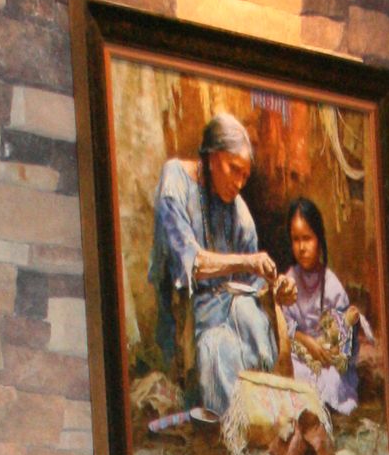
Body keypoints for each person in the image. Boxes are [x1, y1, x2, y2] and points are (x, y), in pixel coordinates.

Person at [147, 112, 280, 422]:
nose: (238, 183)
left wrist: (276, 289)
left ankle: (258, 418)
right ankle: (234, 423)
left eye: (245, 176)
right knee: (218, 348)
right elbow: (190, 263)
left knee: (251, 319)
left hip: (230, 310)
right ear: (210, 156)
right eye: (234, 170)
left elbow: (254, 284)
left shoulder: (239, 211)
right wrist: (249, 261)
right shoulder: (175, 182)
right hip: (190, 313)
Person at [275, 195, 369, 417]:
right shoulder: (289, 280)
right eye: (295, 239)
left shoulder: (331, 284)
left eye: (307, 238)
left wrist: (331, 347)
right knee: (293, 377)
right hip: (300, 357)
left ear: (319, 239)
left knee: (332, 380)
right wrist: (306, 342)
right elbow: (284, 326)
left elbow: (347, 334)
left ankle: (319, 410)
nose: (302, 247)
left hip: (327, 360)